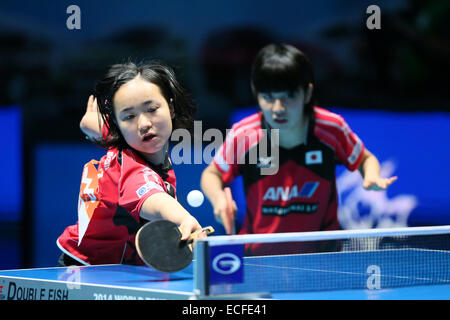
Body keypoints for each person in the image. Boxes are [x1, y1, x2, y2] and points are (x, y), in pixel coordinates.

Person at [200, 44, 397, 255]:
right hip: (257, 257)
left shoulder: (331, 128)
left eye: (288, 96)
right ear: (256, 94)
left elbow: (365, 159)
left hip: (323, 260)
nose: (278, 108)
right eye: (268, 97)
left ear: (307, 93)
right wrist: (219, 199)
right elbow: (212, 174)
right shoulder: (245, 135)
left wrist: (372, 176)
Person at [57, 61, 205, 266]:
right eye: (129, 116)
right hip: (88, 270)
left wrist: (89, 124)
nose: (144, 124)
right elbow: (152, 196)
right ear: (118, 123)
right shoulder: (133, 169)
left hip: (113, 267)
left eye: (152, 109)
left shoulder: (127, 137)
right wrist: (183, 218)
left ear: (171, 107)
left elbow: (104, 129)